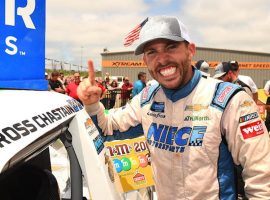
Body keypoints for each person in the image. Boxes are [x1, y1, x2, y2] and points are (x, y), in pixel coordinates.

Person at [77, 16, 270, 199]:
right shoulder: (146, 100)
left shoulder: (229, 100)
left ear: (190, 50)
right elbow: (106, 129)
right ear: (145, 61)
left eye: (171, 47)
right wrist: (92, 105)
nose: (162, 59)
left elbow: (262, 175)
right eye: (152, 52)